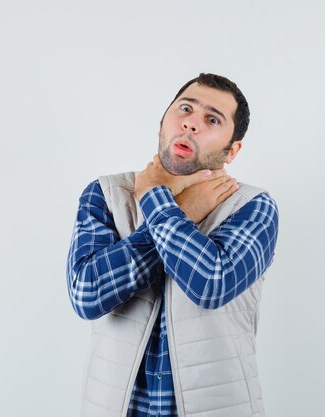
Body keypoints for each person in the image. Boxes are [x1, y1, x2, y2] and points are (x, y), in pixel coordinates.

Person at [66, 73, 279, 417]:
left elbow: (211, 283)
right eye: (185, 109)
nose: (191, 124)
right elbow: (86, 295)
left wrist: (154, 198)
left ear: (232, 149)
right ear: (163, 121)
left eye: (212, 119)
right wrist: (181, 212)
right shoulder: (105, 194)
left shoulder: (253, 206)